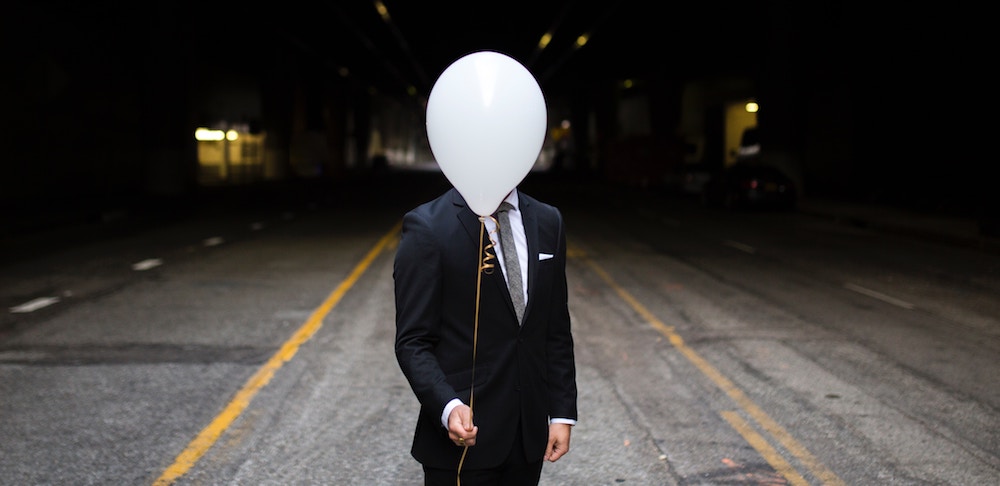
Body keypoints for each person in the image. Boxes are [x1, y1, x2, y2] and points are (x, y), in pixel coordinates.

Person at [394, 185, 578, 485]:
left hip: (527, 440)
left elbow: (555, 327)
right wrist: (447, 406)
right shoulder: (428, 225)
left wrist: (561, 413)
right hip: (462, 439)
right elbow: (413, 342)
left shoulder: (548, 220)